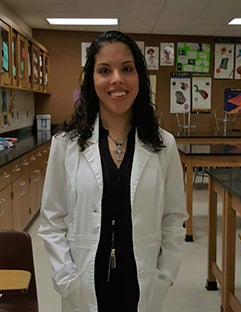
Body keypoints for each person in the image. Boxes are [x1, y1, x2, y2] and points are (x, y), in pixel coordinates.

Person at [38, 30, 188, 312]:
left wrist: (164, 276)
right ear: (91, 80)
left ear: (140, 77)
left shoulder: (163, 145)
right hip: (83, 284)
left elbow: (174, 219)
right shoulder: (65, 145)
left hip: (141, 283)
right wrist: (67, 279)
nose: (117, 79)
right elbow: (52, 222)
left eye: (127, 68)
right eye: (104, 70)